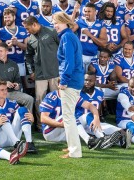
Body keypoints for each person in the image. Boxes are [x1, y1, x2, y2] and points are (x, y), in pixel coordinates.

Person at [52, 12, 84, 159]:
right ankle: (73, 146)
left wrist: (64, 81)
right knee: (69, 115)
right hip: (75, 80)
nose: (54, 26)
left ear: (64, 21)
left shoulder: (66, 37)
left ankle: (75, 151)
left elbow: (69, 62)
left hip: (70, 82)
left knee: (68, 117)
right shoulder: (70, 35)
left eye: (56, 22)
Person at [24, 16, 59, 131]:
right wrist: (31, 71)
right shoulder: (30, 39)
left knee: (57, 99)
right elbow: (28, 56)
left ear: (34, 24)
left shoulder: (52, 31)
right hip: (40, 74)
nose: (27, 31)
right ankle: (40, 125)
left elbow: (62, 48)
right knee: (40, 100)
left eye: (28, 28)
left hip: (55, 72)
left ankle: (57, 122)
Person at [0, 78, 36, 153]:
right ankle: (17, 143)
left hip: (13, 137)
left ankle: (29, 143)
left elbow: (22, 120)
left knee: (22, 110)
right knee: (0, 112)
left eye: (6, 89)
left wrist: (31, 119)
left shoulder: (12, 103)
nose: (5, 92)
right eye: (2, 90)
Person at [0, 42, 33, 112]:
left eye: (1, 51)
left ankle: (27, 121)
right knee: (1, 99)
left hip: (12, 93)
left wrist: (17, 85)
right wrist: (4, 84)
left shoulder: (13, 64)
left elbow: (18, 80)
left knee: (29, 99)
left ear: (6, 52)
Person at [0, 8, 29, 77]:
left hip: (20, 62)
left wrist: (17, 43)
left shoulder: (23, 29)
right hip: (6, 63)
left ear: (14, 17)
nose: (7, 19)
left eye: (9, 17)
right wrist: (9, 46)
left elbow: (27, 47)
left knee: (20, 85)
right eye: (5, 17)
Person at [73, 2, 107, 71]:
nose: (86, 13)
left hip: (93, 56)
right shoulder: (80, 22)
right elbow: (69, 31)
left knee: (91, 79)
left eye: (89, 11)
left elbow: (103, 44)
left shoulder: (100, 25)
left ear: (95, 12)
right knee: (80, 79)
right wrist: (74, 13)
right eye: (85, 11)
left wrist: (90, 35)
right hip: (80, 55)